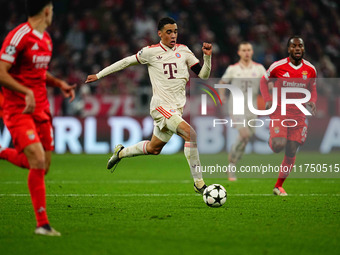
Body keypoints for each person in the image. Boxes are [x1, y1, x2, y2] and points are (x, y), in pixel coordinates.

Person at [86, 17, 212, 194]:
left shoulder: (184, 51)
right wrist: (99, 75)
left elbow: (204, 75)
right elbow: (125, 62)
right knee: (190, 134)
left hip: (176, 110)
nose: (173, 35)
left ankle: (120, 153)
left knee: (154, 149)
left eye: (175, 31)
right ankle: (199, 183)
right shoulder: (150, 52)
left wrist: (207, 57)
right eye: (169, 32)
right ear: (159, 33)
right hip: (161, 107)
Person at [0, 0, 76, 235]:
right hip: (17, 107)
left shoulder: (46, 39)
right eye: (52, 9)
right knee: (37, 158)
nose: (52, 13)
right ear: (45, 10)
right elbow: (1, 72)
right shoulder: (19, 36)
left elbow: (39, 73)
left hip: (41, 108)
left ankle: (2, 152)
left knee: (43, 165)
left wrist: (58, 83)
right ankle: (42, 224)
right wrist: (26, 92)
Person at [260, 36, 317, 196]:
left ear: (304, 49)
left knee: (291, 150)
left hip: (298, 116)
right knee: (278, 146)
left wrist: (312, 101)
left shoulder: (311, 69)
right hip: (280, 112)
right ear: (288, 49)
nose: (297, 48)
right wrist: (268, 100)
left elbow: (313, 88)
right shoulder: (278, 67)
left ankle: (278, 186)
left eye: (300, 46)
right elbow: (264, 82)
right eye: (294, 46)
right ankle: (273, 137)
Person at [218, 42, 266, 181]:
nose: (246, 52)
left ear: (252, 52)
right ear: (239, 52)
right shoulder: (233, 69)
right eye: (243, 50)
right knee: (244, 135)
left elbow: (267, 83)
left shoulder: (259, 68)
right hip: (236, 106)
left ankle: (233, 162)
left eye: (249, 50)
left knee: (246, 139)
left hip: (252, 108)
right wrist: (222, 95)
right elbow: (222, 82)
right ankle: (231, 165)